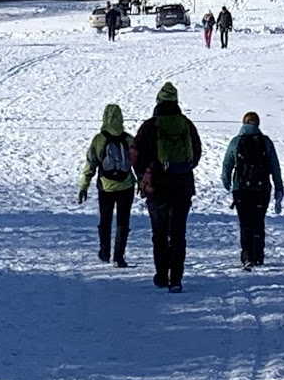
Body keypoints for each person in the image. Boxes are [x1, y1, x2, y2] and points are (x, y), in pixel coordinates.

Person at [133, 81, 203, 291]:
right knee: (178, 233)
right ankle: (177, 279)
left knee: (160, 233)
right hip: (182, 185)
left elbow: (136, 154)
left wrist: (144, 174)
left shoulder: (149, 126)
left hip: (157, 186)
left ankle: (162, 275)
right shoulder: (186, 124)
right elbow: (196, 152)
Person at [220, 111, 284, 269]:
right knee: (258, 221)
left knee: (245, 223)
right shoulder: (266, 142)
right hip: (262, 189)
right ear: (258, 124)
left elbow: (227, 164)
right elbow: (275, 166)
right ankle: (258, 256)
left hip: (241, 189)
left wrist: (227, 182)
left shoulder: (236, 141)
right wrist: (278, 187)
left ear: (243, 124)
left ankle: (247, 256)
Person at [79, 103, 137, 266]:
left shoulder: (99, 139)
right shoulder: (128, 139)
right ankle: (119, 256)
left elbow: (91, 163)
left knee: (105, 220)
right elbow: (138, 163)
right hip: (126, 186)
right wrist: (141, 182)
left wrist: (84, 185)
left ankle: (104, 252)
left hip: (106, 186)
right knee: (123, 221)